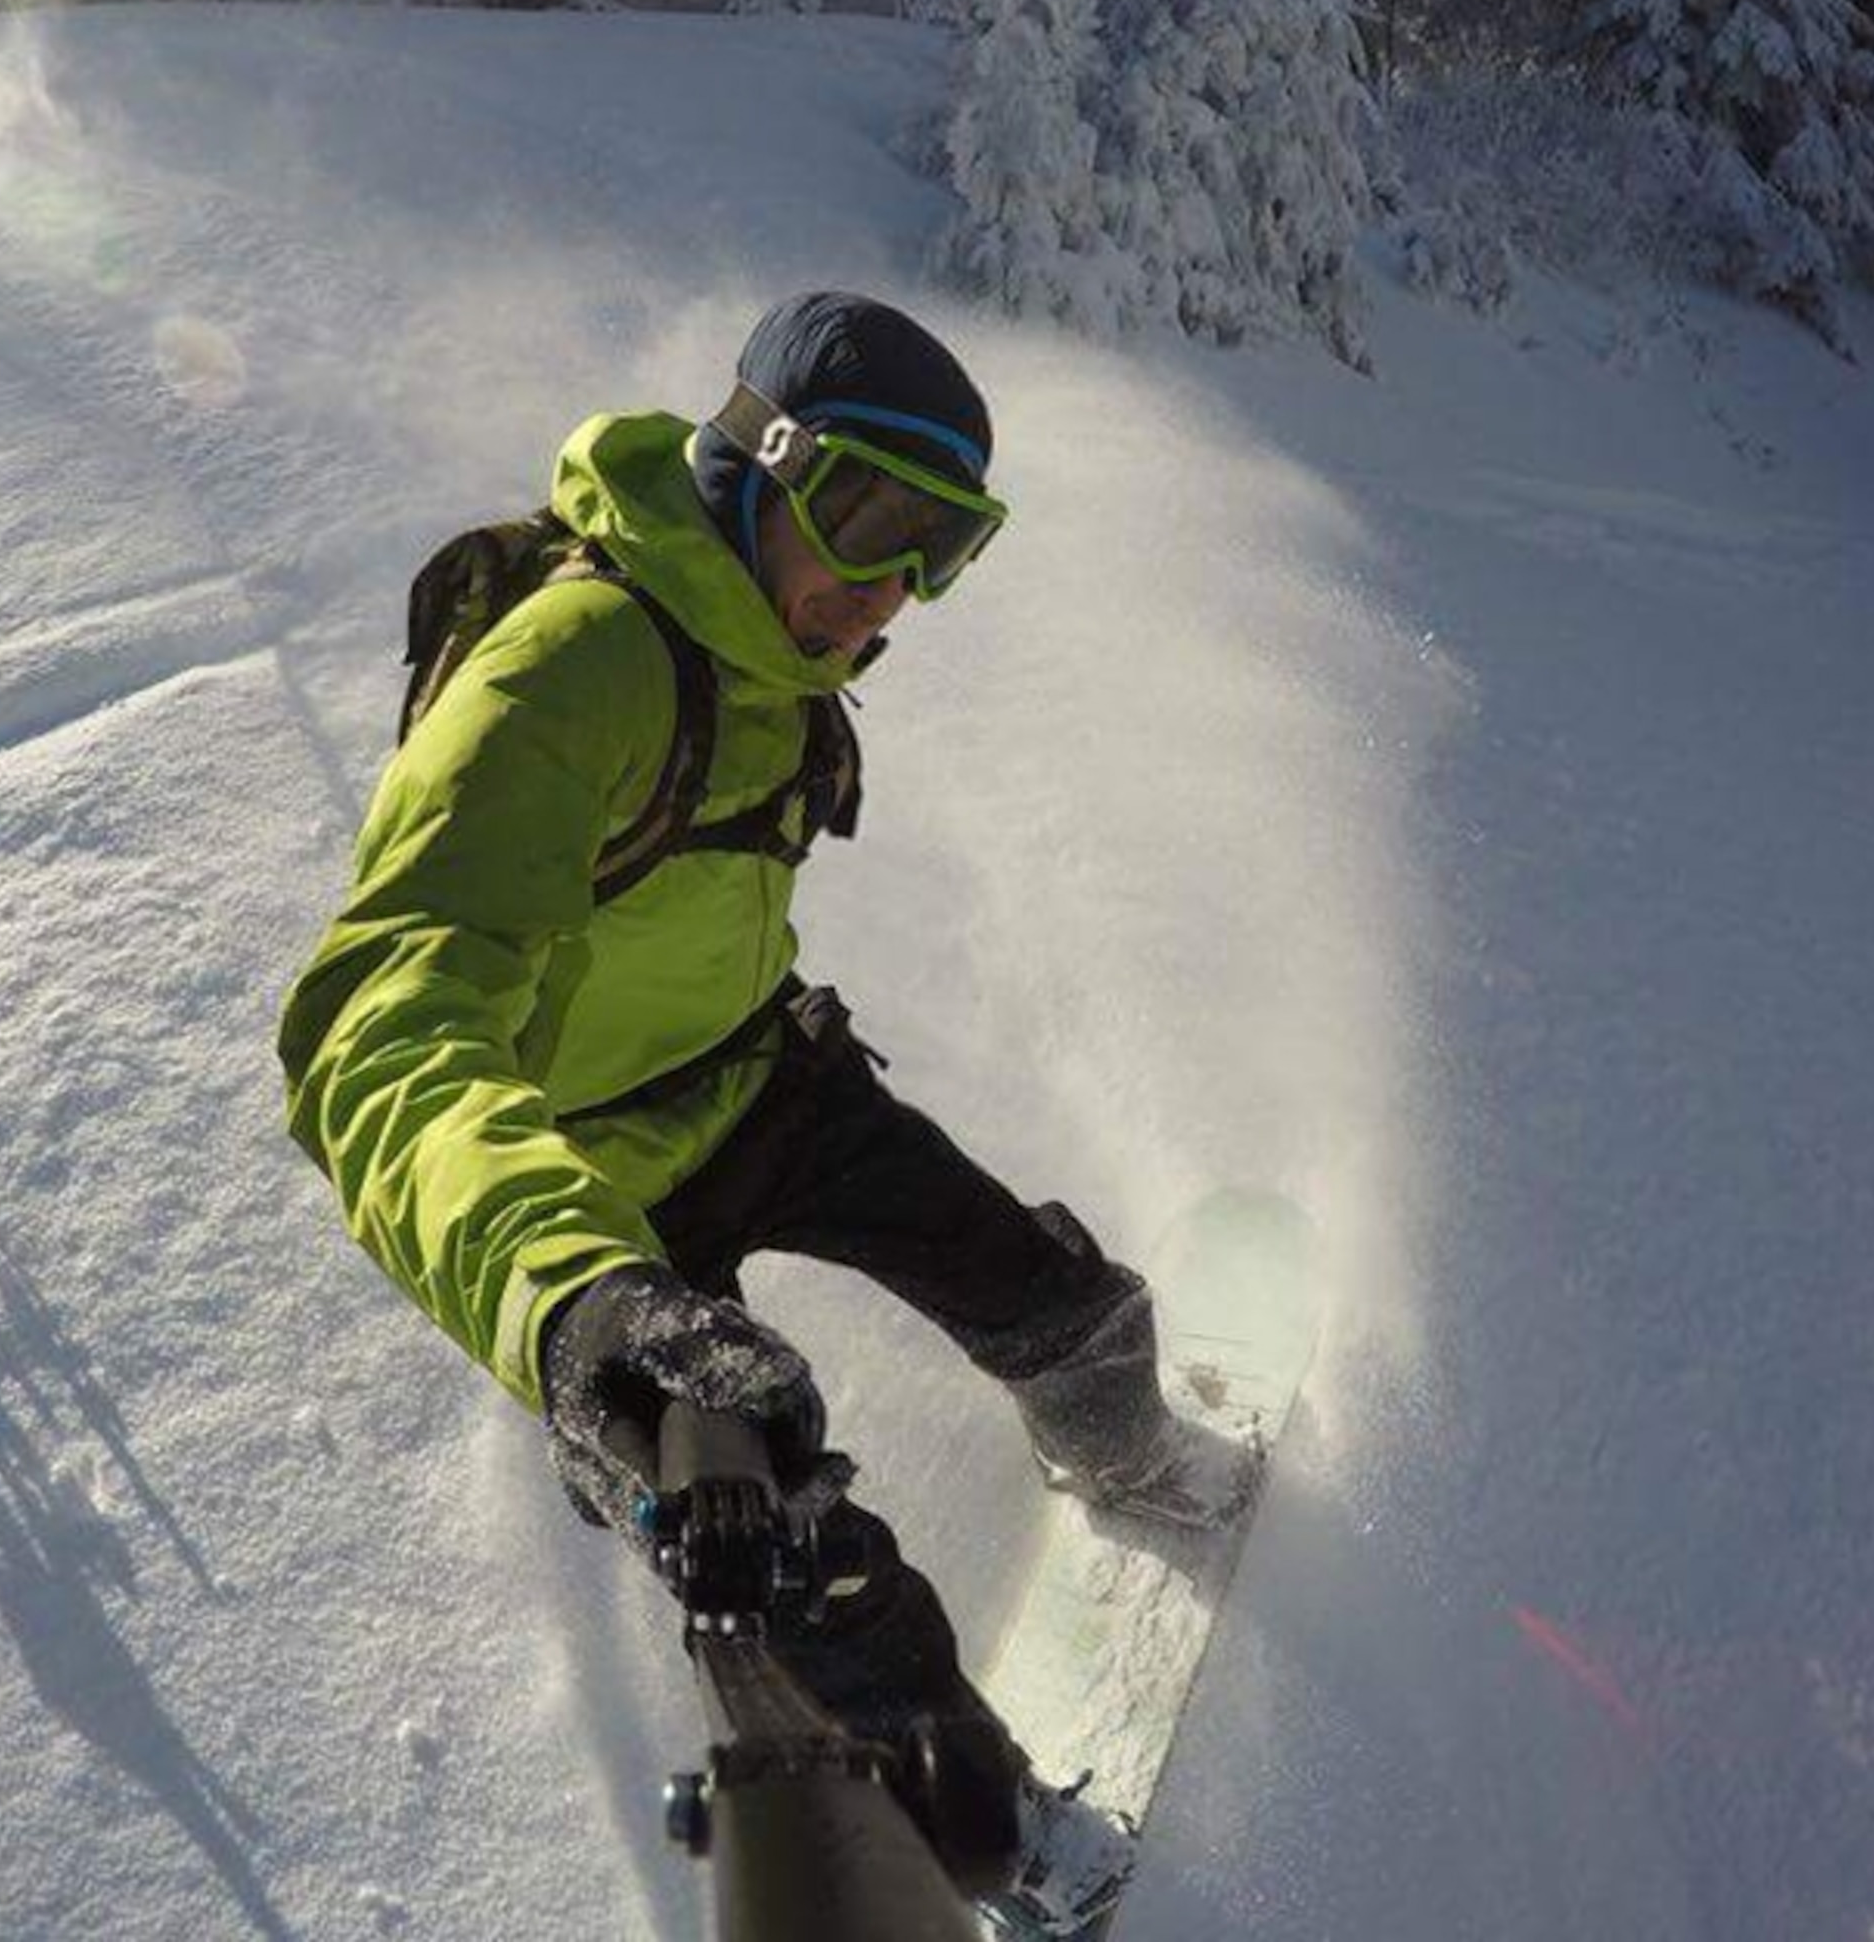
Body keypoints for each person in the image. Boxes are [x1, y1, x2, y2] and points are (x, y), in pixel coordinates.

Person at [275, 292, 1233, 1918]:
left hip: (759, 1075)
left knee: (1046, 1289)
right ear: (753, 461)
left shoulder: (770, 638)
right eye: (867, 515)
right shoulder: (569, 668)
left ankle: (1127, 1441)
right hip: (597, 1200)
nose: (888, 592)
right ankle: (997, 1845)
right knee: (777, 1546)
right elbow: (378, 1030)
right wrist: (586, 1304)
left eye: (943, 547)